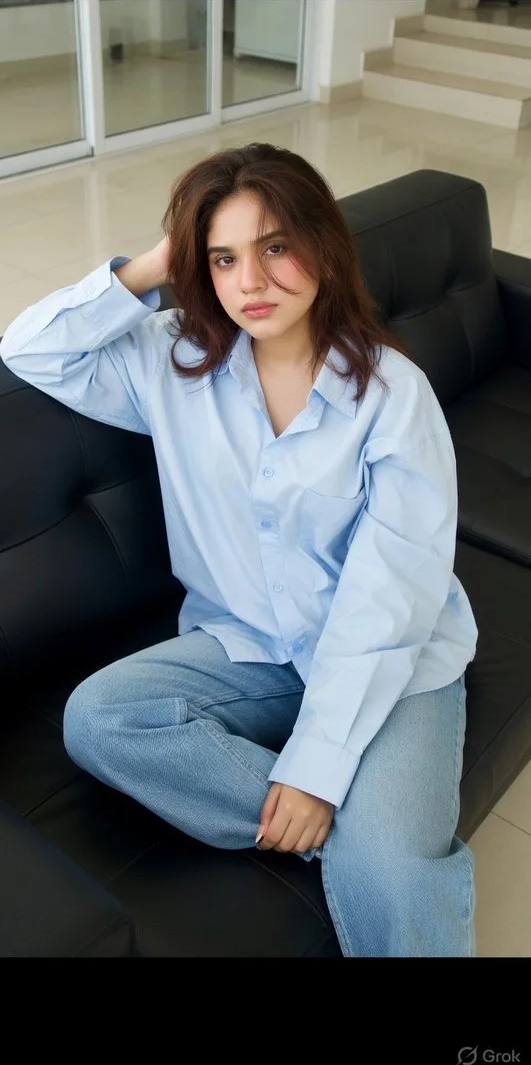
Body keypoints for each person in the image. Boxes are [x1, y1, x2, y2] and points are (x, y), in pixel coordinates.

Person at [0, 142, 479, 957]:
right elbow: (30, 349)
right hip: (249, 646)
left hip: (396, 661)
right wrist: (158, 260)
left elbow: (392, 595)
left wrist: (318, 764)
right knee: (99, 719)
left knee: (396, 876)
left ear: (324, 246)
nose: (249, 283)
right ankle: (350, 836)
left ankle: (365, 840)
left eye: (275, 247)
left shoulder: (393, 397)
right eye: (222, 258)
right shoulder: (171, 359)